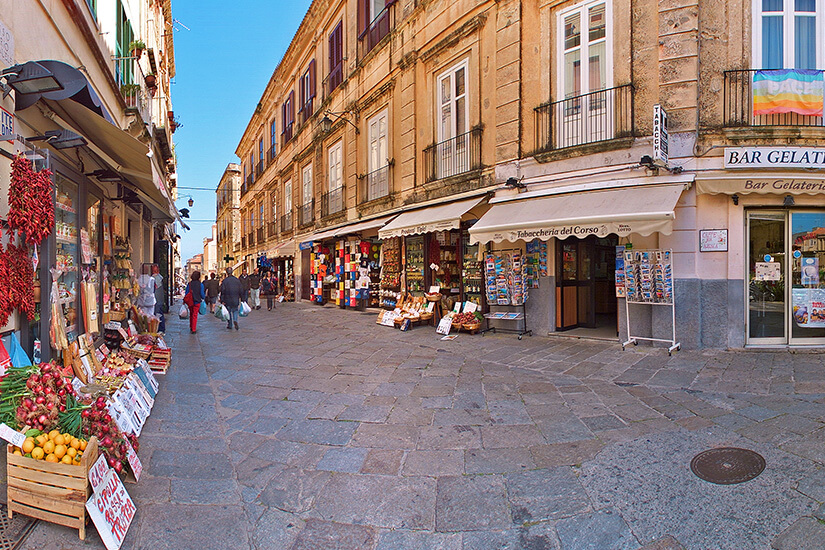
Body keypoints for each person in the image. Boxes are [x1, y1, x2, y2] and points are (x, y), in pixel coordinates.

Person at [151, 264, 166, 333]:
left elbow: (154, 289)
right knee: (160, 313)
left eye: (154, 270)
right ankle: (161, 328)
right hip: (159, 299)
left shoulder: (155, 278)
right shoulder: (160, 278)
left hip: (156, 299)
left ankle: (160, 329)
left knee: (158, 314)